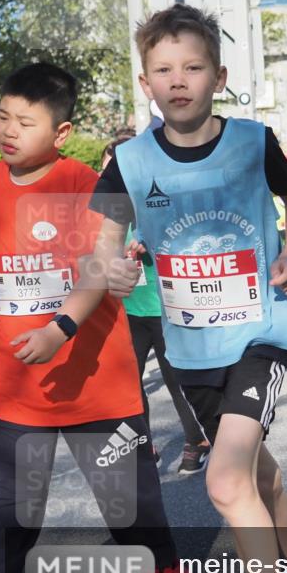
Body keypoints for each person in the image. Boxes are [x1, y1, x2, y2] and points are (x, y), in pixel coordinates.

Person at [83, 4, 287, 573]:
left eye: (192, 67)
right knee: (262, 479)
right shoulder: (129, 163)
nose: (179, 81)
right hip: (190, 349)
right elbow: (104, 248)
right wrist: (116, 270)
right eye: (164, 70)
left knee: (226, 479)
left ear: (218, 76)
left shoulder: (253, 142)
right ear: (145, 82)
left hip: (260, 332)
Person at [0, 63, 186, 573]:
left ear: (63, 131)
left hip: (99, 384)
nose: (9, 130)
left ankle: (161, 568)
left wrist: (60, 328)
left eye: (26, 121)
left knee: (128, 501)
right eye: (2, 117)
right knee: (9, 513)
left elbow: (101, 268)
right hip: (13, 388)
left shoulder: (93, 186)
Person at [105, 136, 212, 475]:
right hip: (128, 311)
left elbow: (185, 238)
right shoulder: (106, 211)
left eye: (116, 165)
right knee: (128, 385)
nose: (109, 172)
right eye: (107, 164)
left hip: (165, 308)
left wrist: (147, 242)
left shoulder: (156, 198)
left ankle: (196, 440)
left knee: (176, 382)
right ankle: (143, 443)